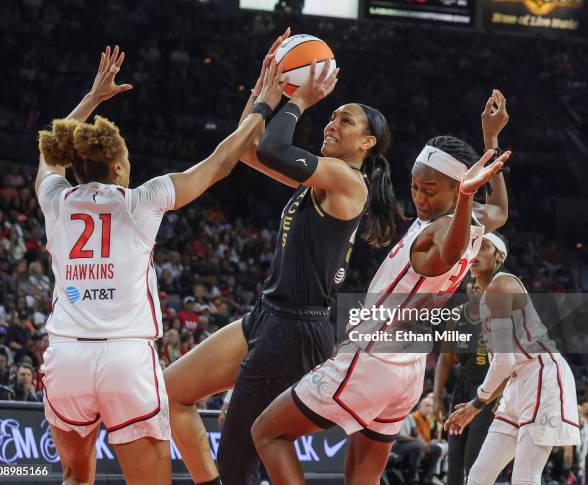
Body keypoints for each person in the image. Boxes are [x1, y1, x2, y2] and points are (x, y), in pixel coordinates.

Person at [36, 45, 285, 485]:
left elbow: (51, 155)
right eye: (127, 159)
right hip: (125, 357)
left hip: (67, 355)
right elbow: (221, 163)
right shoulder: (140, 201)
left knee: (76, 477)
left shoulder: (54, 200)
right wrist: (263, 104)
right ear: (116, 165)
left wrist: (92, 98)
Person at [164, 29, 404, 485]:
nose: (332, 124)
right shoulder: (321, 177)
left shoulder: (348, 181)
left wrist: (301, 102)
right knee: (172, 393)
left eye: (345, 120)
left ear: (368, 143)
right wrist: (264, 91)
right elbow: (249, 149)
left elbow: (274, 147)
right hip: (268, 315)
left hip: (297, 328)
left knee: (239, 452)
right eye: (330, 116)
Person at [251, 91, 512, 484]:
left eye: (431, 190)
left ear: (457, 187)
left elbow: (446, 252)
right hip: (407, 373)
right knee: (363, 477)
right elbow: (502, 211)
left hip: (372, 358)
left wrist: (463, 194)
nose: (419, 197)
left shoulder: (444, 230)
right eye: (415, 185)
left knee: (267, 433)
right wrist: (492, 144)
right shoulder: (476, 218)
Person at [444, 233, 581, 484]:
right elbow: (507, 369)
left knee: (524, 476)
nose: (475, 252)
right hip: (518, 382)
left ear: (499, 257)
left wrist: (476, 403)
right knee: (478, 476)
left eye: (483, 247)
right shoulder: (486, 299)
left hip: (543, 376)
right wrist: (478, 407)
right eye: (472, 246)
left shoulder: (501, 285)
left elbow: (504, 362)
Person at [433, 279, 493, 485]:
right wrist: (436, 398)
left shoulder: (498, 316)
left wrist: (501, 396)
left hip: (487, 393)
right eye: (472, 283)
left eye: (480, 284)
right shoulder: (456, 315)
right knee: (455, 456)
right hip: (461, 390)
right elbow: (444, 359)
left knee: (473, 459)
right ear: (466, 287)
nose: (476, 288)